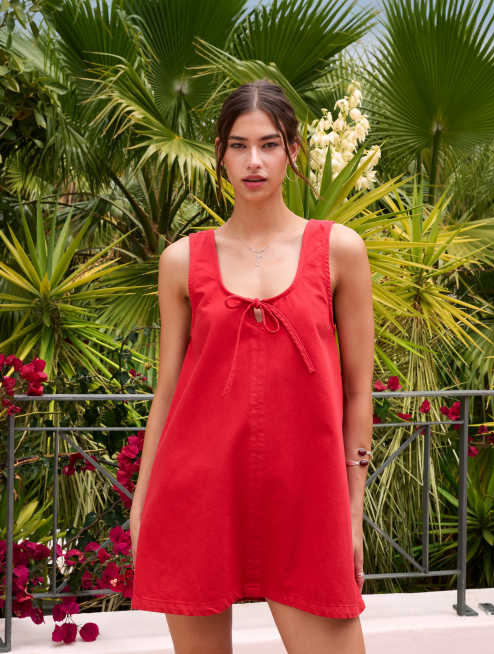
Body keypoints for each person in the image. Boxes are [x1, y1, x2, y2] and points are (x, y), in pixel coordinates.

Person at [130, 79, 374, 654]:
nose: (254, 161)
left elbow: (359, 390)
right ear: (220, 153)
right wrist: (142, 502)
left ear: (293, 151)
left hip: (308, 499)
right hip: (197, 494)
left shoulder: (340, 249)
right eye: (239, 146)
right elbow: (168, 390)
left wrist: (352, 510)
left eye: (268, 144)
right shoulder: (181, 261)